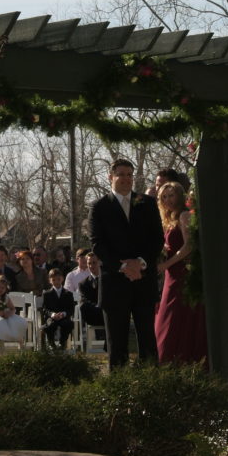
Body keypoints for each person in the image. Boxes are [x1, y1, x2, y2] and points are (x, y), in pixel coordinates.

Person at [90, 158, 165, 369]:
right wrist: (123, 267)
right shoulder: (99, 207)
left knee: (148, 339)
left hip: (143, 280)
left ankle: (151, 383)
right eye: (121, 174)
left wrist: (140, 263)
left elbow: (157, 239)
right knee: (117, 343)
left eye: (129, 175)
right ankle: (120, 389)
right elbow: (98, 244)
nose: (126, 179)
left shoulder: (147, 203)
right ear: (110, 177)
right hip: (114, 283)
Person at [154, 181, 207, 364]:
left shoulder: (184, 216)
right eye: (164, 197)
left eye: (171, 195)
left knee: (177, 316)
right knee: (167, 315)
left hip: (182, 273)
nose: (168, 200)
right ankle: (169, 361)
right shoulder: (168, 219)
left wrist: (166, 263)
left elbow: (188, 246)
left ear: (179, 196)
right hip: (171, 274)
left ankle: (183, 359)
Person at [0, 275, 26, 345]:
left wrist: (8, 314)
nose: (0, 289)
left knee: (16, 325)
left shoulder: (6, 298)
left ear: (6, 289)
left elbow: (13, 309)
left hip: (7, 316)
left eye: (2, 288)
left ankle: (19, 341)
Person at [41, 268, 74, 349]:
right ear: (50, 280)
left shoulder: (68, 294)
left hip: (64, 317)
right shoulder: (47, 294)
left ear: (62, 279)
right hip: (52, 317)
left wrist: (63, 314)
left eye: (58, 279)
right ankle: (51, 343)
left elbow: (71, 309)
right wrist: (52, 314)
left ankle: (62, 343)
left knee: (68, 324)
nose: (56, 282)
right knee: (49, 325)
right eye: (53, 279)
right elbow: (44, 309)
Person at [78, 252, 104, 329]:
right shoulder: (83, 283)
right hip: (93, 315)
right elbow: (84, 300)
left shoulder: (107, 280)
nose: (91, 266)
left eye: (94, 263)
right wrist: (97, 307)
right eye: (89, 263)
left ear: (99, 263)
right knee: (83, 305)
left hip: (107, 312)